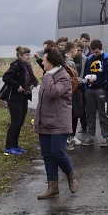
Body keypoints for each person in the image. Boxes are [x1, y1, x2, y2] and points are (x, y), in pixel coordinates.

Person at [33, 47, 78, 199]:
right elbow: (42, 101)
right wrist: (37, 120)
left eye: (44, 61)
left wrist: (46, 77)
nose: (42, 63)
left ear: (51, 62)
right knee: (47, 154)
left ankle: (70, 174)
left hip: (59, 121)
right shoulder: (49, 75)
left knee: (57, 152)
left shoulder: (63, 76)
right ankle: (53, 187)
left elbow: (53, 93)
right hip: (45, 122)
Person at [1, 46, 38, 156]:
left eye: (29, 55)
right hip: (14, 98)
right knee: (15, 122)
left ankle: (15, 146)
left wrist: (33, 84)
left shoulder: (27, 66)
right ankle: (8, 147)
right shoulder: (16, 65)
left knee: (20, 122)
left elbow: (33, 78)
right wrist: (17, 86)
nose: (29, 57)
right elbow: (6, 77)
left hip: (24, 97)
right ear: (20, 56)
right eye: (26, 55)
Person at [82, 39, 108, 147]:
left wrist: (105, 88)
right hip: (90, 89)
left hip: (101, 89)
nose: (95, 54)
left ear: (101, 49)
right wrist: (86, 85)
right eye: (93, 52)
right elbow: (86, 73)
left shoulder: (107, 58)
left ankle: (105, 137)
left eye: (97, 52)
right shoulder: (89, 58)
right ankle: (90, 135)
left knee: (102, 114)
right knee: (89, 113)